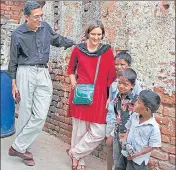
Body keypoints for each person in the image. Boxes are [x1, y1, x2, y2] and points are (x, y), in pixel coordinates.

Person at [7, 1, 75, 166]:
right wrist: (13, 83)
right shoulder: (18, 33)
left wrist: (74, 42)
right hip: (25, 72)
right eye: (36, 17)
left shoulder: (45, 27)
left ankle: (17, 146)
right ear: (27, 17)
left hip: (43, 72)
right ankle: (23, 148)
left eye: (41, 16)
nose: (40, 19)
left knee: (40, 114)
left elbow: (57, 40)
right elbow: (13, 60)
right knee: (25, 111)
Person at [67, 20, 117, 170]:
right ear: (88, 34)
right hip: (81, 93)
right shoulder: (78, 49)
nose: (96, 38)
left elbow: (111, 76)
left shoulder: (106, 51)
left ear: (103, 35)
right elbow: (70, 69)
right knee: (79, 130)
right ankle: (79, 161)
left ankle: (75, 153)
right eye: (93, 34)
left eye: (99, 35)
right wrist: (74, 83)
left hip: (100, 95)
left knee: (99, 131)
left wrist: (110, 97)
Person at [106, 51, 142, 170]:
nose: (119, 67)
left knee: (126, 151)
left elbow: (138, 103)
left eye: (123, 64)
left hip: (128, 124)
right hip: (115, 121)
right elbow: (113, 104)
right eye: (117, 64)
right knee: (110, 144)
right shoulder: (113, 85)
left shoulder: (135, 84)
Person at [118, 90, 161, 170]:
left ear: (146, 110)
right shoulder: (134, 116)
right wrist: (124, 139)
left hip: (138, 161)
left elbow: (152, 146)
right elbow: (129, 128)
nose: (135, 103)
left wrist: (137, 154)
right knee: (119, 167)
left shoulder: (153, 127)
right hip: (125, 152)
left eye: (138, 102)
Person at [110, 68, 138, 170]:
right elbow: (116, 114)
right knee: (117, 159)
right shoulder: (117, 97)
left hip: (129, 136)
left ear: (132, 85)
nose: (121, 86)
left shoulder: (135, 100)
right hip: (118, 132)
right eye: (120, 83)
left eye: (125, 84)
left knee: (129, 162)